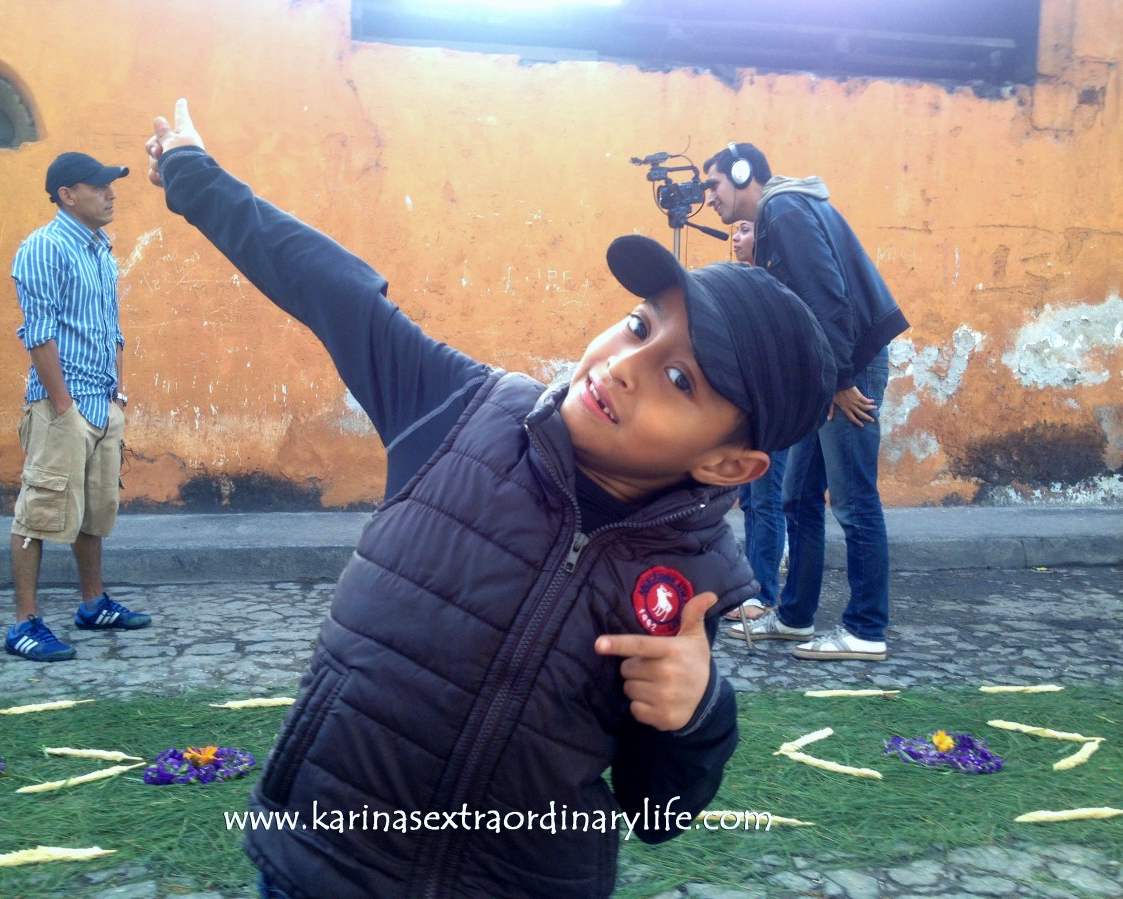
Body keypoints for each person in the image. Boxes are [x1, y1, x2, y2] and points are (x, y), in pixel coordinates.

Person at [146, 99, 835, 898]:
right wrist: (198, 178)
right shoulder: (462, 406)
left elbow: (657, 807)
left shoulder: (696, 582)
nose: (623, 367)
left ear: (728, 464)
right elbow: (331, 290)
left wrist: (695, 714)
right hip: (325, 862)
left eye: (681, 379)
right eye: (640, 326)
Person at [703, 142, 909, 662]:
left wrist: (840, 379)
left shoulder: (784, 209)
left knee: (854, 500)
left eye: (714, 185)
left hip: (850, 366)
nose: (708, 199)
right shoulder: (779, 216)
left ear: (744, 174)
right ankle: (795, 618)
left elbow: (827, 297)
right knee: (797, 497)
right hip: (834, 369)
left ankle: (865, 628)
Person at [4, 152, 151, 663]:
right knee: (40, 511)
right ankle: (24, 624)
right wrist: (64, 407)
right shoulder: (44, 248)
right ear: (68, 194)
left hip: (102, 402)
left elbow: (108, 328)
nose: (111, 193)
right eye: (99, 186)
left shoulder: (100, 250)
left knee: (91, 509)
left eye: (111, 185)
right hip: (59, 406)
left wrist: (115, 398)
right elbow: (39, 334)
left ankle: (93, 604)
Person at [722, 219, 788, 623]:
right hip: (749, 407)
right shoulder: (744, 282)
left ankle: (763, 592)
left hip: (776, 405)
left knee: (766, 497)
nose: (736, 237)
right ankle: (752, 586)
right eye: (735, 231)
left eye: (745, 229)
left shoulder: (776, 285)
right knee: (749, 498)